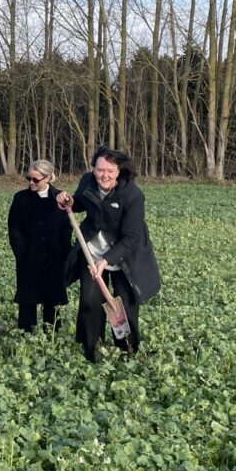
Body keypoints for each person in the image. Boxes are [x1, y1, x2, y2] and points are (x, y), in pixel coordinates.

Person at [56, 148, 161, 361]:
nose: (104, 175)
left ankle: (127, 350)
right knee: (89, 301)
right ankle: (91, 349)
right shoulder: (88, 181)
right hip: (92, 250)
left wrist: (107, 261)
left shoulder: (132, 195)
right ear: (93, 169)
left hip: (125, 255)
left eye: (110, 171)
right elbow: (81, 202)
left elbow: (131, 238)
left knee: (124, 303)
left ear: (119, 171)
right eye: (99, 169)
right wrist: (69, 201)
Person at [8, 158, 71, 332]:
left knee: (53, 298)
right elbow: (14, 229)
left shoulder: (60, 198)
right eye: (28, 178)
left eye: (36, 179)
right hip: (29, 257)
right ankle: (26, 332)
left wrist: (64, 255)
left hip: (54, 258)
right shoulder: (20, 198)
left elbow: (66, 230)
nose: (31, 182)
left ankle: (52, 332)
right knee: (28, 298)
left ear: (49, 178)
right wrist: (22, 254)